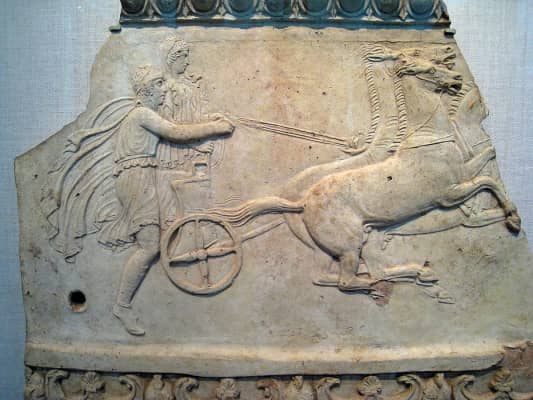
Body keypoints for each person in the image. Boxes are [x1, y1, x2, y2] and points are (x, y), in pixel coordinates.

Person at [105, 65, 234, 335]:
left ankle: (194, 234)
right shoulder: (141, 114)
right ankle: (122, 305)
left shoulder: (144, 116)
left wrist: (208, 123)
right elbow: (176, 132)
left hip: (146, 174)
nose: (165, 92)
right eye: (160, 86)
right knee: (149, 246)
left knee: (184, 185)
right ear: (146, 91)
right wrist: (214, 127)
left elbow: (177, 135)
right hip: (137, 179)